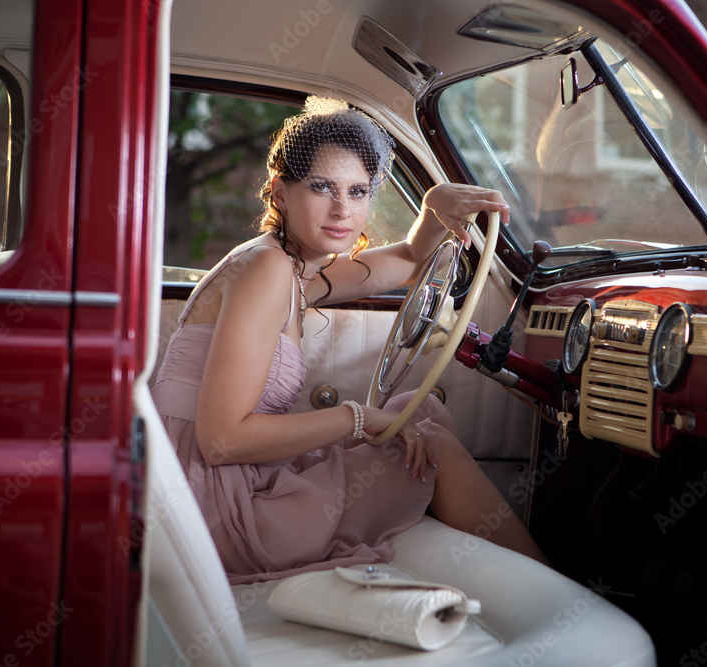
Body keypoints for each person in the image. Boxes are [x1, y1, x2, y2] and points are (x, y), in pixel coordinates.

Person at [152, 97, 546, 584]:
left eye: (358, 191)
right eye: (321, 187)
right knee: (429, 443)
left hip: (214, 483)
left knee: (420, 415)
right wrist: (358, 418)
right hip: (214, 506)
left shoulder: (290, 269)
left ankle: (523, 591)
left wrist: (432, 206)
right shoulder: (267, 268)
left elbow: (402, 262)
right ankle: (557, 604)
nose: (343, 209)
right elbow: (220, 442)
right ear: (279, 193)